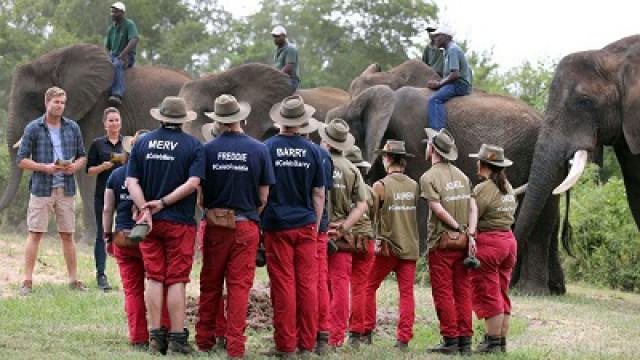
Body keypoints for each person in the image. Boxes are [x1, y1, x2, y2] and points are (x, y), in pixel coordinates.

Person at [195, 95, 275, 359]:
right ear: (241, 118)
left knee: (211, 283)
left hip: (216, 225)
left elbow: (201, 196)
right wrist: (249, 213)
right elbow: (264, 197)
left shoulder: (207, 150)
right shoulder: (260, 149)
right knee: (239, 287)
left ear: (218, 121)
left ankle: (205, 341)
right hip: (247, 226)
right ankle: (236, 347)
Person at [126, 96, 204, 355]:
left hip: (149, 224)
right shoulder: (193, 146)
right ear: (182, 120)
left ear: (160, 117)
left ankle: (155, 338)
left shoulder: (142, 143)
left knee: (154, 277)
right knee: (177, 280)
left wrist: (145, 209)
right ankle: (177, 341)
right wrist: (163, 202)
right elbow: (193, 183)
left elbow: (131, 182)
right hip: (179, 221)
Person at [261, 95, 325, 357]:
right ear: (302, 122)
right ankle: (307, 345)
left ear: (281, 121)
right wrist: (315, 224)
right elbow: (319, 193)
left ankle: (286, 345)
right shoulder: (314, 151)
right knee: (307, 285)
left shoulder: (267, 148)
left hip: (276, 225)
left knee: (283, 285)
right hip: (306, 225)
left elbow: (261, 191)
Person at [103, 130, 172, 349]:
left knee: (132, 290)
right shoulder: (156, 177)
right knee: (159, 284)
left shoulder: (116, 176)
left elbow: (107, 209)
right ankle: (164, 332)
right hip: (149, 237)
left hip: (123, 238)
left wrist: (107, 236)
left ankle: (138, 337)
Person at [16, 86, 87, 296]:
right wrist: (44, 167)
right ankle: (27, 281)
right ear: (47, 102)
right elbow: (21, 160)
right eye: (56, 102)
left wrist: (76, 166)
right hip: (41, 188)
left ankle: (73, 280)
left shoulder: (72, 127)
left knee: (68, 235)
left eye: (63, 102)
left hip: (66, 187)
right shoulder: (33, 128)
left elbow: (82, 155)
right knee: (35, 233)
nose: (60, 106)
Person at [420, 128, 478, 355]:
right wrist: (470, 234)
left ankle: (450, 340)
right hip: (464, 243)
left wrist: (456, 227)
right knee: (463, 291)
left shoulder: (428, 177)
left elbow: (438, 209)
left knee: (443, 292)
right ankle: (465, 342)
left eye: (427, 144)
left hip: (442, 243)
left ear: (432, 149)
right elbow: (473, 206)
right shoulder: (463, 176)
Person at [364, 140, 419, 351]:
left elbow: (372, 215)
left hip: (387, 247)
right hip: (410, 247)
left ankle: (367, 330)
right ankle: (403, 339)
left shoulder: (380, 186)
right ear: (403, 160)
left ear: (387, 159)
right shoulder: (414, 186)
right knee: (406, 293)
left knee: (369, 287)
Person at [319, 119, 367, 348]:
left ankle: (319, 332)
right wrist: (345, 227)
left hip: (318, 233)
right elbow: (362, 204)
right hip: (341, 237)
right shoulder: (352, 169)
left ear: (326, 141)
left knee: (318, 286)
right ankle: (336, 337)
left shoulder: (318, 161)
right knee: (341, 288)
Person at [468, 144, 517, 353]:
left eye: (478, 161)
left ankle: (491, 341)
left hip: (490, 243)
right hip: (508, 241)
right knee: (501, 291)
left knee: (488, 292)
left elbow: (473, 215)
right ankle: (501, 341)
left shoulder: (483, 189)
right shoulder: (508, 186)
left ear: (483, 164)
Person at [294, 119, 334, 355]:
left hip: (300, 224)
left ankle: (298, 334)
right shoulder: (322, 154)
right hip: (317, 225)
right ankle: (321, 335)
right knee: (317, 281)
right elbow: (323, 192)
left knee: (293, 283)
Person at [86, 107, 124, 291]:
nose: (114, 124)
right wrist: (103, 166)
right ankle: (101, 274)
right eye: (111, 121)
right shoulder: (97, 144)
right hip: (102, 194)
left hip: (124, 195)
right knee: (102, 234)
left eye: (117, 120)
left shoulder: (128, 143)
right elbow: (88, 170)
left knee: (126, 233)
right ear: (104, 124)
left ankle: (129, 273)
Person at [345, 145, 376, 348]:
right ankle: (363, 331)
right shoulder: (371, 191)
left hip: (345, 240)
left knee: (337, 287)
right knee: (363, 288)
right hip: (367, 240)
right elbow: (374, 218)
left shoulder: (340, 187)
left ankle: (339, 330)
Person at [426, 25, 472, 130]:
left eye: (437, 36)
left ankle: (438, 132)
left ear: (445, 37)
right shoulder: (447, 50)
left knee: (435, 99)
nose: (435, 39)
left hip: (460, 84)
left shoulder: (453, 50)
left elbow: (455, 74)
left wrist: (439, 84)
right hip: (454, 82)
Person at [105, 1, 139, 106]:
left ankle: (117, 93)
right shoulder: (111, 29)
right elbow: (107, 47)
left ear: (122, 13)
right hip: (114, 55)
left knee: (116, 65)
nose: (113, 14)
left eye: (115, 12)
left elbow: (134, 39)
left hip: (127, 55)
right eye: (112, 12)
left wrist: (123, 54)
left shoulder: (129, 24)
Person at [271, 25, 300, 90]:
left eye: (277, 36)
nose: (275, 38)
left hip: (290, 80)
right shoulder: (277, 50)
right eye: (274, 36)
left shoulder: (290, 49)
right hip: (280, 79)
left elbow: (289, 66)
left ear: (284, 36)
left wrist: (276, 76)